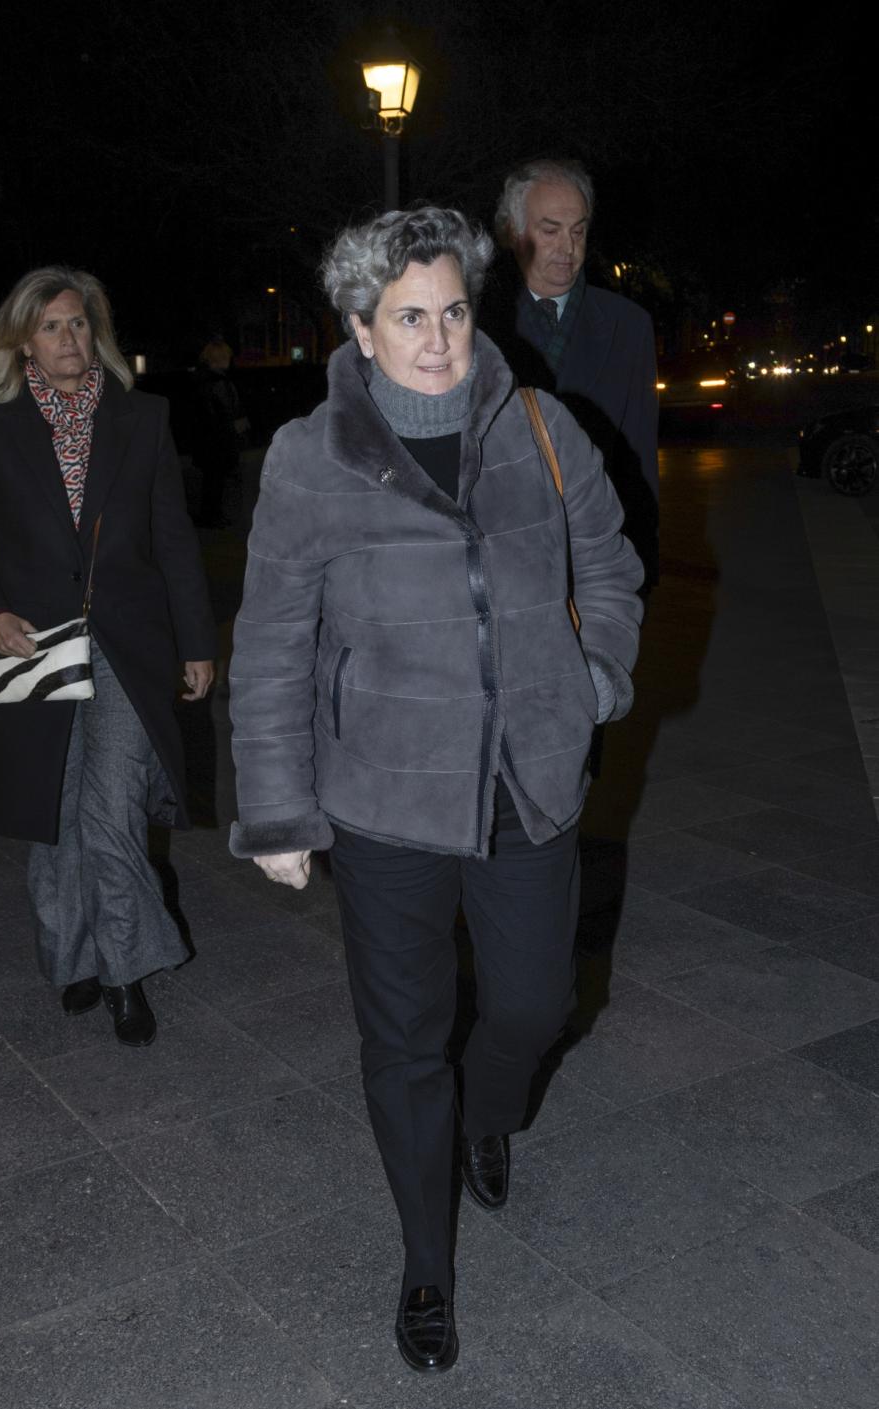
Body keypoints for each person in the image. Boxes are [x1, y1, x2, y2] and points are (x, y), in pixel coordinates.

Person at [228, 208, 643, 1372]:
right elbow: (271, 644)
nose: (438, 338)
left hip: (527, 781)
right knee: (403, 1039)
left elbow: (607, 559)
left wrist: (596, 672)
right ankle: (424, 1259)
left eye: (453, 310)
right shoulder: (312, 456)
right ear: (361, 329)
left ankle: (488, 1114)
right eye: (409, 317)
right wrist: (277, 807)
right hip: (383, 800)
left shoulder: (541, 427)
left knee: (530, 1005)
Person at [0, 266, 216, 1047]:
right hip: (33, 643)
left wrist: (197, 643)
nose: (71, 339)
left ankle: (126, 969)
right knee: (54, 814)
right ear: (24, 340)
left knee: (113, 808)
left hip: (128, 643)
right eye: (54, 326)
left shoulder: (143, 418)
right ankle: (74, 958)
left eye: (81, 324)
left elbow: (172, 539)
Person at [481, 157, 659, 584]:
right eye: (550, 231)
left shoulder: (629, 325)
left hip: (595, 562)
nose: (569, 248)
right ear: (513, 233)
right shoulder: (474, 325)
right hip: (501, 565)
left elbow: (640, 462)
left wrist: (640, 572)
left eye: (578, 231)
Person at [191, 335, 243, 528]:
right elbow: (226, 414)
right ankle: (213, 516)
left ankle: (210, 514)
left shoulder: (202, 381)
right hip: (218, 441)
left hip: (207, 441)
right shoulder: (218, 383)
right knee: (216, 481)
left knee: (211, 480)